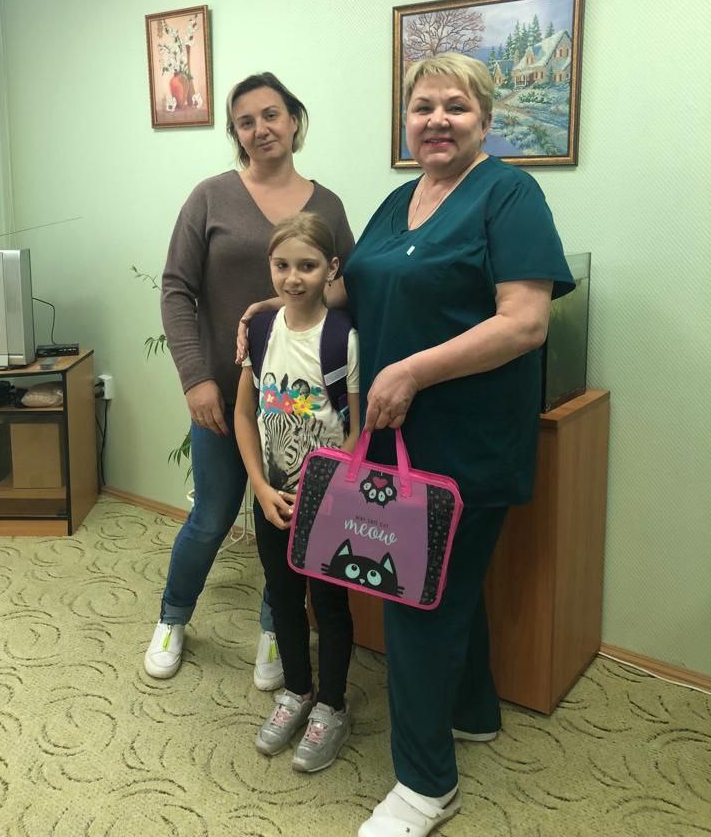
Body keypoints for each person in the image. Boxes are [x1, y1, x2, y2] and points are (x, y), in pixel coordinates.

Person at [238, 52, 574, 835]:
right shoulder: (401, 201)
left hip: (466, 439)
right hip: (396, 439)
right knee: (450, 586)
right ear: (407, 121)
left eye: (455, 107)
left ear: (485, 118)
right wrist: (280, 305)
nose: (437, 121)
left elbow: (525, 321)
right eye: (423, 108)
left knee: (418, 603)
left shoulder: (510, 194)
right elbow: (351, 285)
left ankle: (426, 787)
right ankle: (473, 711)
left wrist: (413, 370)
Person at [144, 73, 354, 689]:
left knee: (284, 518)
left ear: (294, 119)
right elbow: (176, 289)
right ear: (235, 133)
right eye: (245, 121)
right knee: (211, 517)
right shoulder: (210, 197)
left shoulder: (327, 205)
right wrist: (194, 379)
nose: (260, 128)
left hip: (301, 407)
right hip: (225, 397)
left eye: (271, 115)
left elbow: (348, 286)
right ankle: (172, 618)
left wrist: (279, 305)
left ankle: (275, 628)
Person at [234, 211, 360, 772]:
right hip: (273, 498)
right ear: (270, 266)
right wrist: (260, 485)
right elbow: (244, 414)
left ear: (330, 268)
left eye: (307, 266)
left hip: (327, 501)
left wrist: (329, 493)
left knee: (329, 605)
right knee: (282, 597)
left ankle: (331, 705)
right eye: (281, 265)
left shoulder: (342, 338)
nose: (292, 277)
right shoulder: (262, 332)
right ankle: (296, 692)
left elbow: (357, 428)